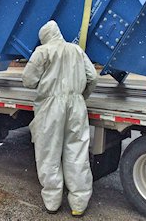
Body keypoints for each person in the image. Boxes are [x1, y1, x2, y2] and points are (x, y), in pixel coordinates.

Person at [22, 20, 98, 217]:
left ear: (44, 37)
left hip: (50, 107)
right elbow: (92, 77)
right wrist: (81, 96)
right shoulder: (76, 50)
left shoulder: (42, 52)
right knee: (77, 153)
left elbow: (28, 81)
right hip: (76, 105)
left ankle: (52, 203)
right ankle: (79, 204)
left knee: (49, 153)